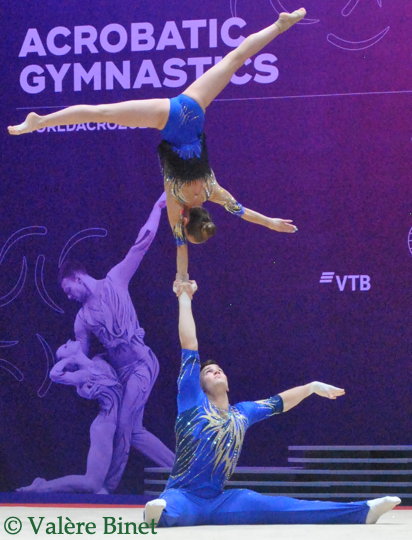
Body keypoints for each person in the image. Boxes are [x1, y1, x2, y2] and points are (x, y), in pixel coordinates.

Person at [8, 10, 306, 278]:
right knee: (102, 113)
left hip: (193, 110)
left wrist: (271, 222)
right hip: (170, 117)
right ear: (186, 220)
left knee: (235, 59)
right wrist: (181, 279)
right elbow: (180, 247)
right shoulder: (175, 201)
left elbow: (243, 213)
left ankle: (279, 25)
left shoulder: (213, 192)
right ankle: (39, 122)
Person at [144, 281, 401, 527]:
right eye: (208, 372)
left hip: (220, 501)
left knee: (285, 506)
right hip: (183, 494)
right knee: (170, 507)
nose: (216, 371)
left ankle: (361, 511)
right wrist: (185, 298)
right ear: (198, 385)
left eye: (219, 369)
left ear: (229, 384)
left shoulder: (242, 414)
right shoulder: (191, 401)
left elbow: (279, 402)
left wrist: (310, 387)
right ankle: (159, 513)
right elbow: (189, 344)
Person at [58, 193, 174, 492]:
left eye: (68, 289)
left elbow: (142, 243)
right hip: (121, 374)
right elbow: (83, 359)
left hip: (141, 365)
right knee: (132, 431)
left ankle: (106, 488)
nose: (68, 296)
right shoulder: (81, 319)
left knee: (125, 426)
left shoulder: (115, 280)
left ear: (78, 277)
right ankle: (182, 472)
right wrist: (70, 367)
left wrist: (157, 207)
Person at [17, 341, 122, 493]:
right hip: (104, 426)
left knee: (102, 486)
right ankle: (42, 487)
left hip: (118, 426)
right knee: (92, 484)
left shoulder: (99, 359)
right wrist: (67, 360)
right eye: (65, 347)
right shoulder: (82, 375)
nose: (68, 341)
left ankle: (42, 486)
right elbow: (54, 375)